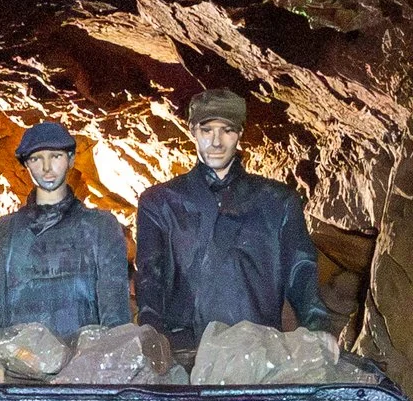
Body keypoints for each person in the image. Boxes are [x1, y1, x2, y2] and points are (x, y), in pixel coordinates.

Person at [133, 87, 329, 354]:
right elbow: (150, 276)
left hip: (257, 353)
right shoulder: (160, 203)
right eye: (207, 130)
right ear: (192, 131)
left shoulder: (277, 202)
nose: (216, 142)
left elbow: (300, 268)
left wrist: (317, 326)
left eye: (227, 130)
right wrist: (152, 335)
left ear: (240, 134)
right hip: (186, 353)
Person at [0, 120, 134, 344]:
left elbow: (115, 315)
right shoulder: (4, 232)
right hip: (17, 367)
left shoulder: (100, 227)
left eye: (55, 156)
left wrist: (112, 360)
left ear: (71, 160)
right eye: (37, 159)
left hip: (84, 368)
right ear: (26, 165)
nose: (47, 167)